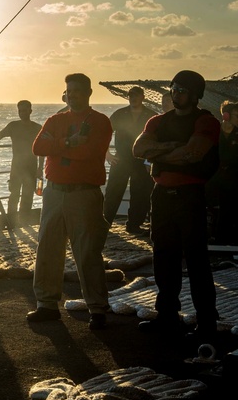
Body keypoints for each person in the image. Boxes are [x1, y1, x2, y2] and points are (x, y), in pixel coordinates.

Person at [133, 70, 221, 341]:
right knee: (164, 256)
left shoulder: (206, 121)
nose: (176, 92)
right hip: (161, 194)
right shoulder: (158, 121)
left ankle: (206, 324)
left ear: (196, 94)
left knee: (196, 260)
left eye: (182, 89)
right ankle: (167, 316)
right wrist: (174, 148)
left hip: (189, 195)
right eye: (173, 87)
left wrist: (159, 153)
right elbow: (138, 150)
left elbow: (193, 154)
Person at [26, 73, 113, 330]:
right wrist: (68, 143)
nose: (72, 94)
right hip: (54, 192)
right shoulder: (55, 119)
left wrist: (57, 145)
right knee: (48, 247)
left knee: (87, 251)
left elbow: (90, 152)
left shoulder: (100, 121)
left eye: (77, 90)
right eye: (69, 90)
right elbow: (37, 147)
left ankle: (97, 308)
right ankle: (46, 305)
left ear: (87, 93)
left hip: (84, 193)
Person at [0, 100, 42, 226]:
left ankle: (24, 220)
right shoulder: (13, 126)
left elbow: (41, 150)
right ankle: (12, 221)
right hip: (16, 166)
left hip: (31, 166)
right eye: (20, 110)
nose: (22, 113)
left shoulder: (37, 128)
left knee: (27, 196)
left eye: (25, 110)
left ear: (30, 111)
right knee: (14, 194)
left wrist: (40, 168)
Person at [103, 86, 157, 234]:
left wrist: (149, 161)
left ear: (143, 97)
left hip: (142, 160)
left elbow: (156, 140)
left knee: (140, 193)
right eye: (131, 95)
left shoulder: (151, 115)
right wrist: (107, 154)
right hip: (121, 159)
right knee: (113, 191)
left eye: (136, 95)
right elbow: (105, 134)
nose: (133, 98)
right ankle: (105, 223)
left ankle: (134, 225)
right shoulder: (119, 114)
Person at [206, 100, 238, 245]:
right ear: (226, 116)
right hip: (218, 178)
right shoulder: (215, 132)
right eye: (236, 115)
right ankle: (220, 237)